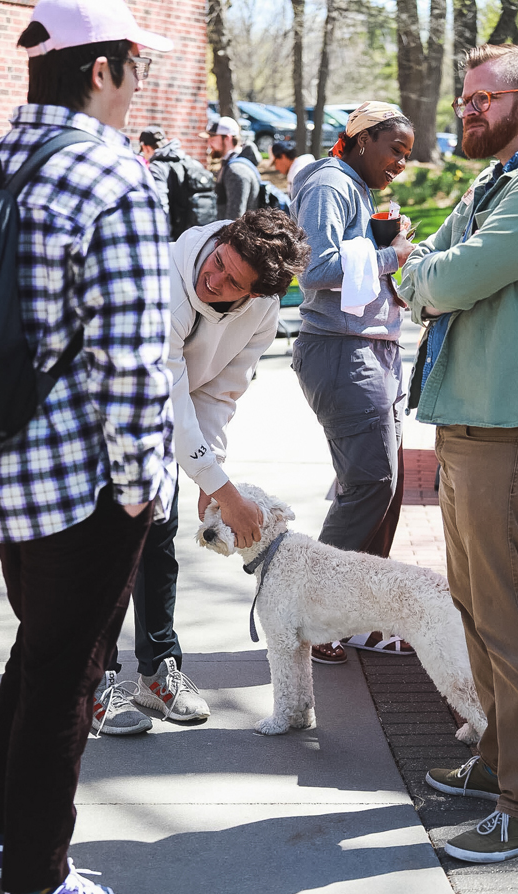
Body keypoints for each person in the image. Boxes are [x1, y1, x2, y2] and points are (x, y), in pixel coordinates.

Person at [0, 0, 175, 894]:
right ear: (100, 68)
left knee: (38, 649)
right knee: (70, 676)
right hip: (79, 484)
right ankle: (39, 879)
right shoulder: (113, 177)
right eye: (137, 65)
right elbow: (134, 361)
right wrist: (141, 487)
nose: (139, 83)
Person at [399, 43, 518, 864]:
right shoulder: (496, 177)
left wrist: (424, 277)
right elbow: (435, 252)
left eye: (479, 99)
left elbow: (452, 276)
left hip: (510, 428)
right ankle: (500, 760)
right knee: (475, 607)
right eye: (464, 99)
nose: (465, 111)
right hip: (465, 419)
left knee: (512, 618)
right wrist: (428, 269)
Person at [95, 208, 312, 734]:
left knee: (159, 541)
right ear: (218, 240)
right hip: (104, 419)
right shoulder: (165, 283)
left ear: (258, 293)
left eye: (232, 281)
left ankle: (156, 674)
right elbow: (166, 393)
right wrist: (219, 486)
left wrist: (208, 466)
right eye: (217, 263)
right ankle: (91, 682)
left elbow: (220, 388)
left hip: (162, 426)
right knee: (104, 551)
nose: (212, 279)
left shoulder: (260, 309)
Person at [290, 102, 415, 664]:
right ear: (362, 139)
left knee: (384, 489)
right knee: (369, 485)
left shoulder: (357, 188)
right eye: (395, 150)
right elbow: (311, 269)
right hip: (342, 352)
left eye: (407, 156)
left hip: (371, 351)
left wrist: (386, 241)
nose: (400, 165)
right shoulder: (330, 182)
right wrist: (390, 254)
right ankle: (314, 614)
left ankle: (357, 615)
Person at [137, 124, 217, 239]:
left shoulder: (157, 167)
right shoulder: (189, 161)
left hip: (175, 238)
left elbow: (160, 206)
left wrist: (163, 239)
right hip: (198, 236)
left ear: (145, 147)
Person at [201, 116, 260, 219]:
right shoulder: (230, 166)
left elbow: (235, 219)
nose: (209, 143)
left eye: (213, 138)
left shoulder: (236, 170)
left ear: (227, 138)